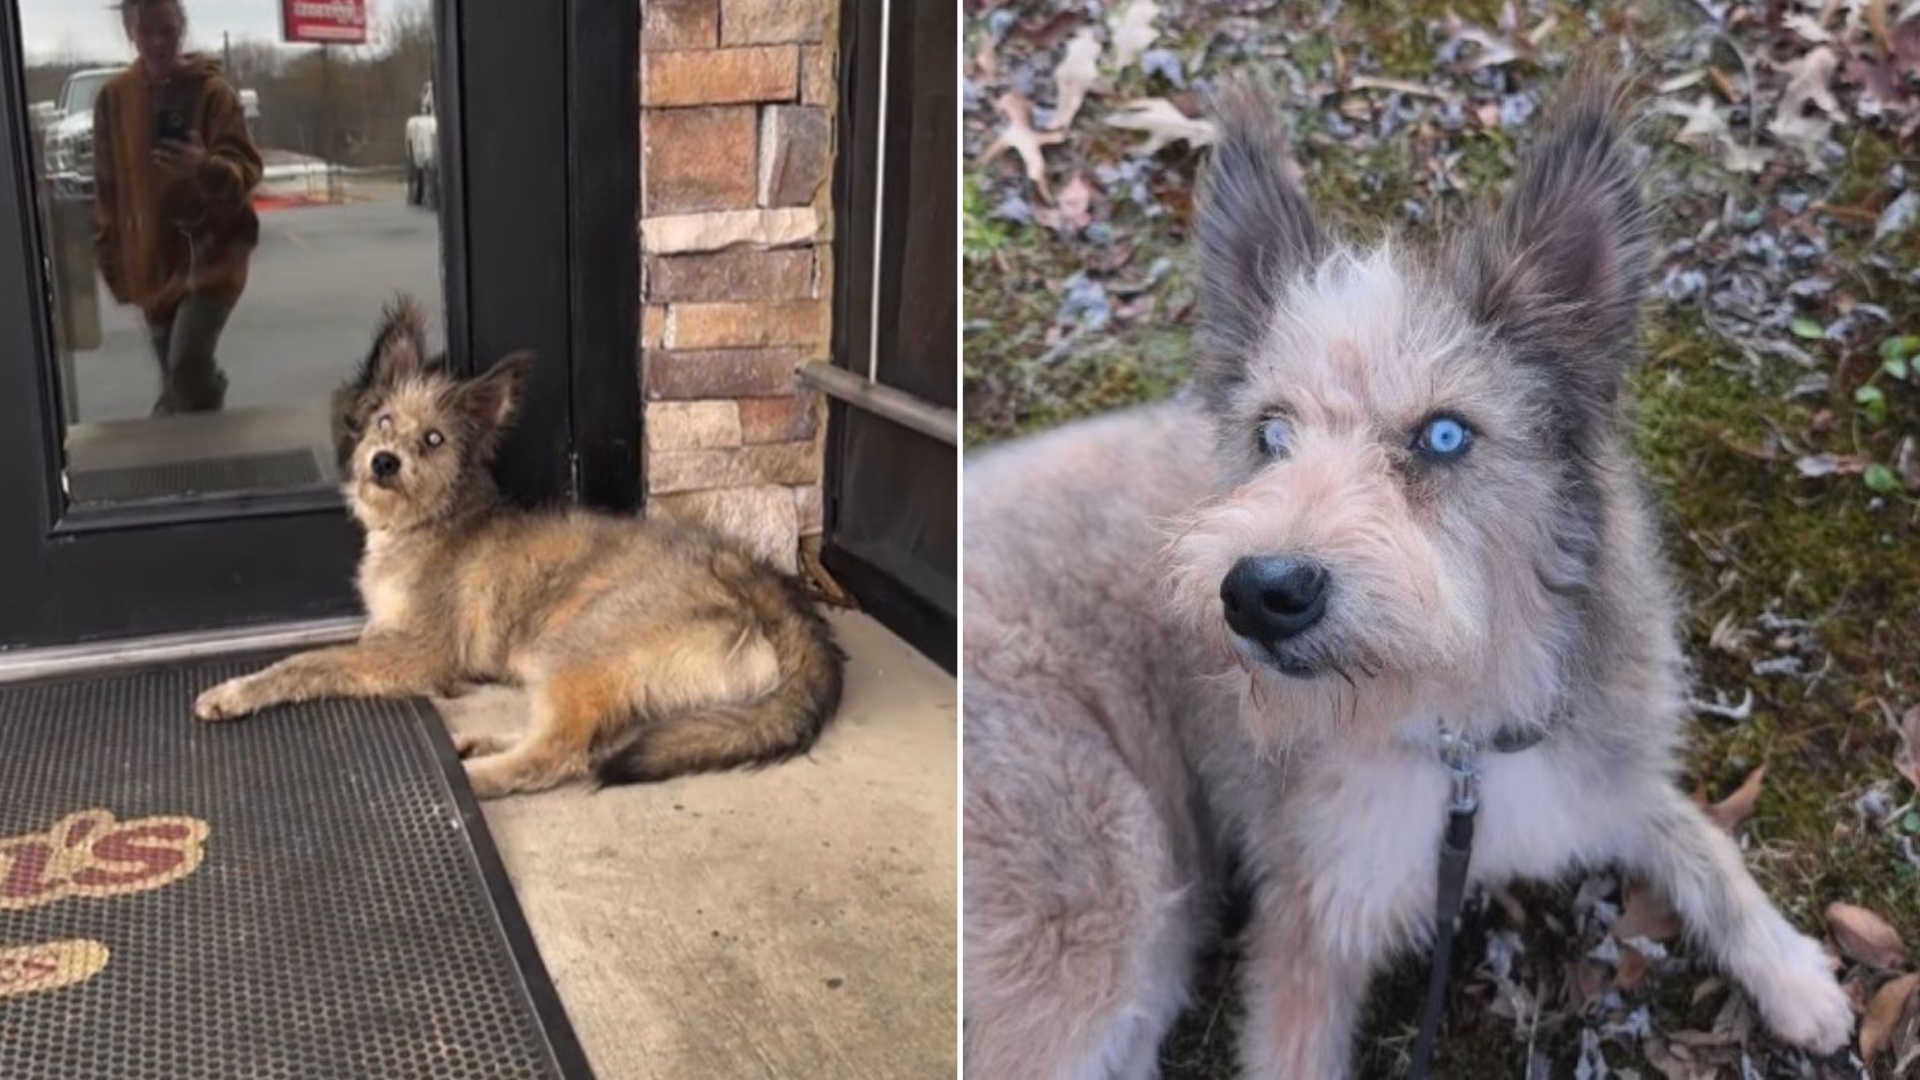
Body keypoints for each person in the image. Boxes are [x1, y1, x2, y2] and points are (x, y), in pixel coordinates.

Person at [92, 0, 261, 414]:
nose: (157, 42)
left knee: (187, 364)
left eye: (167, 31)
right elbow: (107, 186)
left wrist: (205, 168)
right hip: (152, 261)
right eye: (147, 32)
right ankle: (184, 455)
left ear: (181, 30)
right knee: (175, 378)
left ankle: (203, 450)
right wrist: (112, 258)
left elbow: (247, 168)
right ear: (131, 30)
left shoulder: (212, 93)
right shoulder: (113, 100)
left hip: (212, 257)